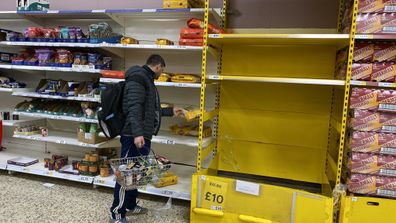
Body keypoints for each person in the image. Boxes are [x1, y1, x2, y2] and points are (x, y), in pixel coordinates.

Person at [110, 54, 185, 223]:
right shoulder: (138, 78)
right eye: (162, 69)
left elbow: (149, 109)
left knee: (136, 174)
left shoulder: (147, 80)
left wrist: (170, 111)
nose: (162, 72)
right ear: (158, 67)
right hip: (133, 135)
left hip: (141, 134)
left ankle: (129, 205)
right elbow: (134, 108)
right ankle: (116, 213)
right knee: (125, 174)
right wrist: (137, 133)